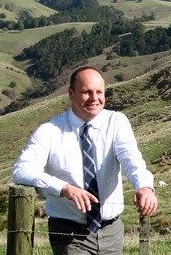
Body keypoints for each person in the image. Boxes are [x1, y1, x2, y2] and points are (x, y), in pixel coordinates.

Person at [13, 66, 157, 254]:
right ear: (71, 93)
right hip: (69, 234)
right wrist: (64, 189)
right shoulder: (50, 131)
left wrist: (144, 186)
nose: (94, 98)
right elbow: (21, 171)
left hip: (112, 233)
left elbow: (131, 157)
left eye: (99, 92)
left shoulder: (116, 122)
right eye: (86, 92)